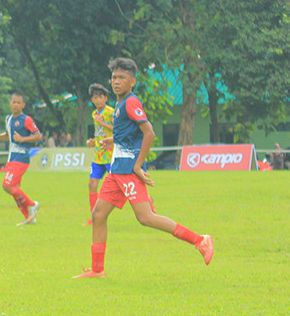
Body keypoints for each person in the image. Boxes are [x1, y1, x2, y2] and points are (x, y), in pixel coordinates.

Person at [73, 58, 213, 278]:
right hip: (116, 170)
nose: (116, 82)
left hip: (128, 170)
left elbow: (149, 132)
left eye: (122, 78)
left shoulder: (130, 102)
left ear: (132, 82)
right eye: (114, 77)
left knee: (145, 217)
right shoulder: (119, 105)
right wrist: (113, 142)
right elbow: (130, 135)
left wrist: (138, 165)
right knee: (98, 214)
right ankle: (98, 270)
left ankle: (200, 241)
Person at [0, 92, 42, 225]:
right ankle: (29, 218)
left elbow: (38, 136)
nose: (16, 105)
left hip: (21, 157)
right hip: (12, 157)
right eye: (14, 102)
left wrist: (23, 139)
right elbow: (8, 135)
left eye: (19, 102)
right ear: (10, 103)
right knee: (14, 189)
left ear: (23, 105)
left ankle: (32, 204)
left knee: (7, 185)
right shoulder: (8, 119)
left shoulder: (26, 119)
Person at [83, 83, 114, 225]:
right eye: (95, 98)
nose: (98, 100)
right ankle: (94, 217)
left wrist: (102, 123)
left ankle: (147, 201)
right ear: (92, 100)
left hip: (111, 154)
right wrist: (93, 141)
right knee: (92, 183)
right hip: (99, 155)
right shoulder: (94, 113)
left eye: (100, 97)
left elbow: (118, 130)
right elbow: (100, 134)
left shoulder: (110, 112)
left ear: (106, 98)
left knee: (122, 184)